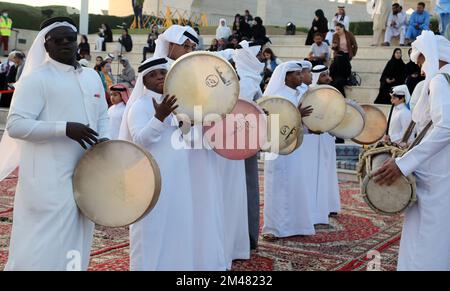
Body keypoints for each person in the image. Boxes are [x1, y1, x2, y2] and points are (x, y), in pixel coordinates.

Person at [0, 17, 109, 271]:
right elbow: (16, 125)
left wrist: (105, 142)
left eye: (69, 39)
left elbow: (102, 116)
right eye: (56, 40)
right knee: (42, 247)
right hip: (48, 181)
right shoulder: (36, 79)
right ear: (45, 46)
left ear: (77, 42)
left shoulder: (92, 77)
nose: (64, 44)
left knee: (77, 240)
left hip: (87, 175)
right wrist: (64, 128)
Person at [373, 31, 450, 271]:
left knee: (427, 231)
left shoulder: (440, 80)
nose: (422, 69)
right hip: (442, 167)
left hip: (437, 171)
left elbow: (446, 125)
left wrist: (404, 163)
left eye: (421, 61)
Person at [154, 25, 228, 270]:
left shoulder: (195, 71)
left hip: (199, 142)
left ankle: (202, 257)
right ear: (171, 45)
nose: (189, 50)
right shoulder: (158, 72)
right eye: (185, 46)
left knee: (203, 200)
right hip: (172, 149)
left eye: (192, 47)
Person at [262, 61, 317, 240]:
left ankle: (296, 225)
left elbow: (301, 124)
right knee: (277, 187)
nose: (301, 77)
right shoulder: (276, 96)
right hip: (278, 149)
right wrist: (296, 116)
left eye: (301, 74)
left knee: (296, 184)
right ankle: (274, 228)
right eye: (297, 74)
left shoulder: (298, 95)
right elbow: (272, 124)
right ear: (286, 76)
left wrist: (312, 127)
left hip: (295, 148)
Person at [310, 64, 341, 218]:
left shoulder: (332, 91)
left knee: (328, 169)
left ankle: (330, 204)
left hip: (328, 137)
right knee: (317, 170)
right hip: (315, 138)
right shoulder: (310, 94)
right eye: (324, 75)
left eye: (328, 75)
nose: (328, 78)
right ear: (316, 77)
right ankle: (317, 206)